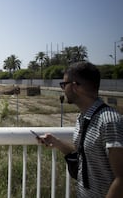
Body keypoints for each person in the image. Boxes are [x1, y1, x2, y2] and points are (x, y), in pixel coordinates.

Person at [37, 61, 123, 197]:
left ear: (75, 86)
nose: (62, 89)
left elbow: (121, 178)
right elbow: (85, 155)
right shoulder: (83, 117)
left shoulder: (109, 121)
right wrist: (58, 143)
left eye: (64, 84)